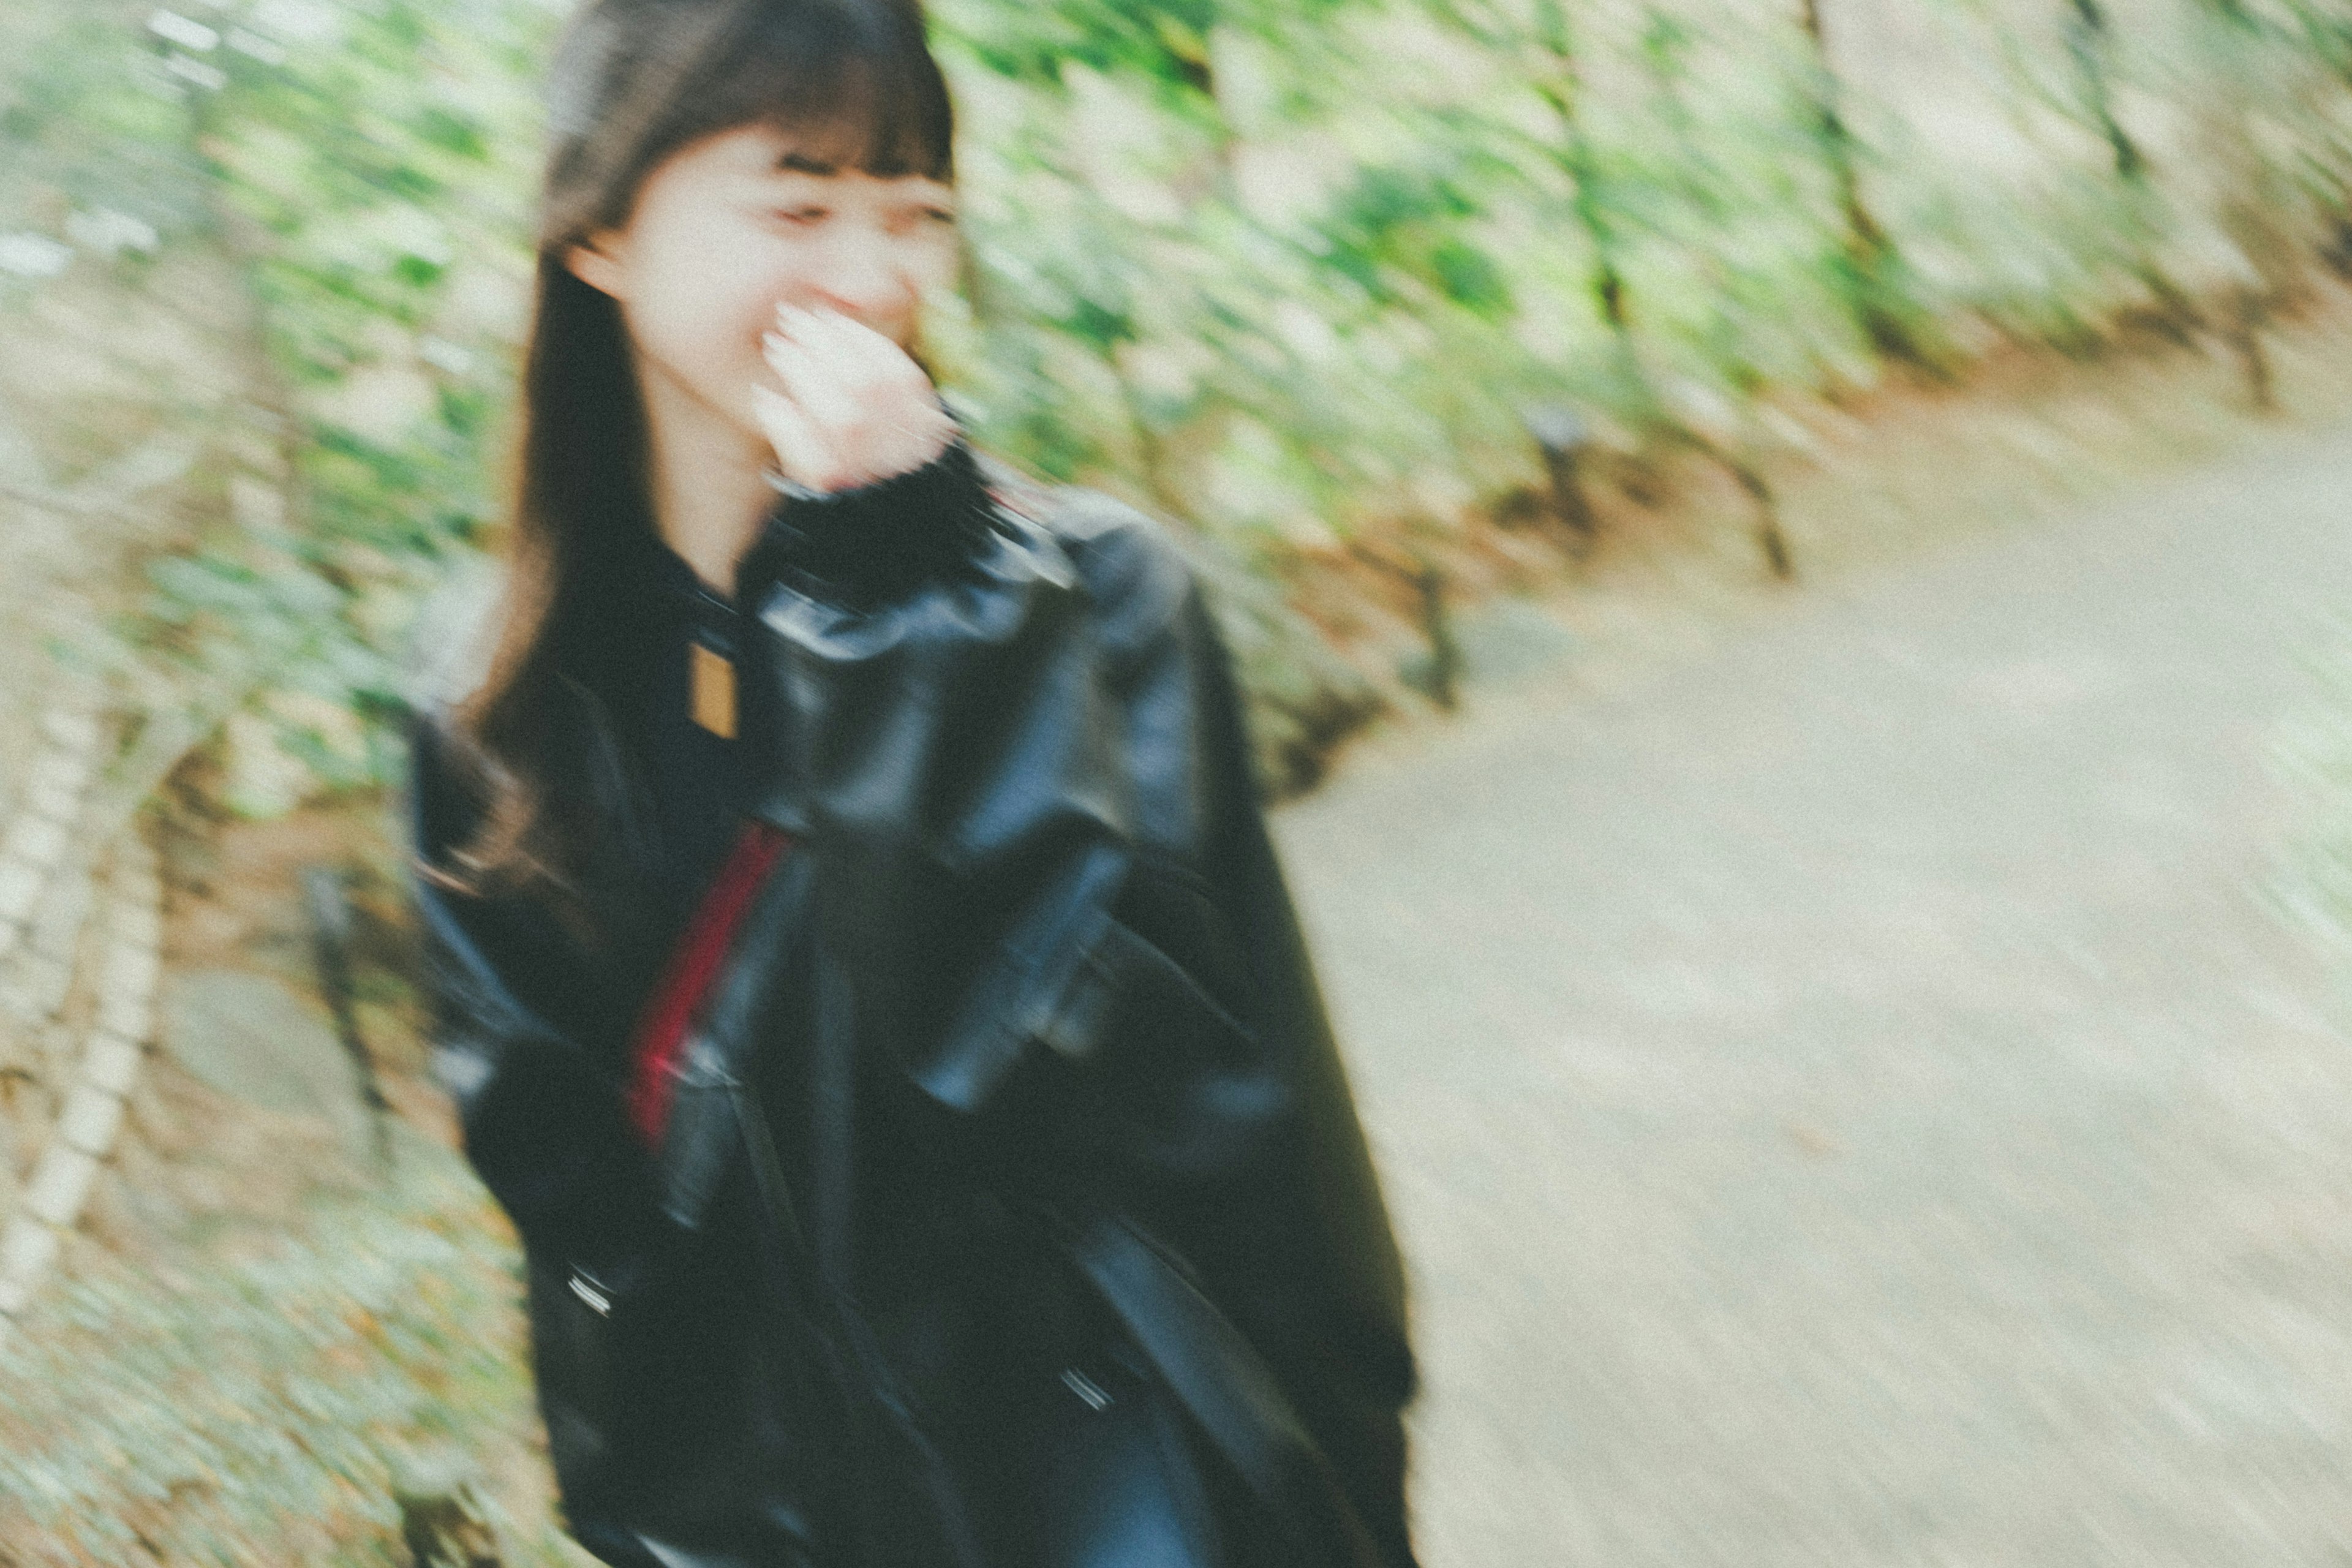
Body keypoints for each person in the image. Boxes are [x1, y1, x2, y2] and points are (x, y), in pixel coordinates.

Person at [404, 1, 1420, 1564]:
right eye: (799, 205)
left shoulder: (1099, 601)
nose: (875, 278)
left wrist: (912, 593)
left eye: (918, 212)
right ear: (597, 232)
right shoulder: (493, 706)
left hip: (1120, 1494)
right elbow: (587, 1230)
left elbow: (1191, 1123)